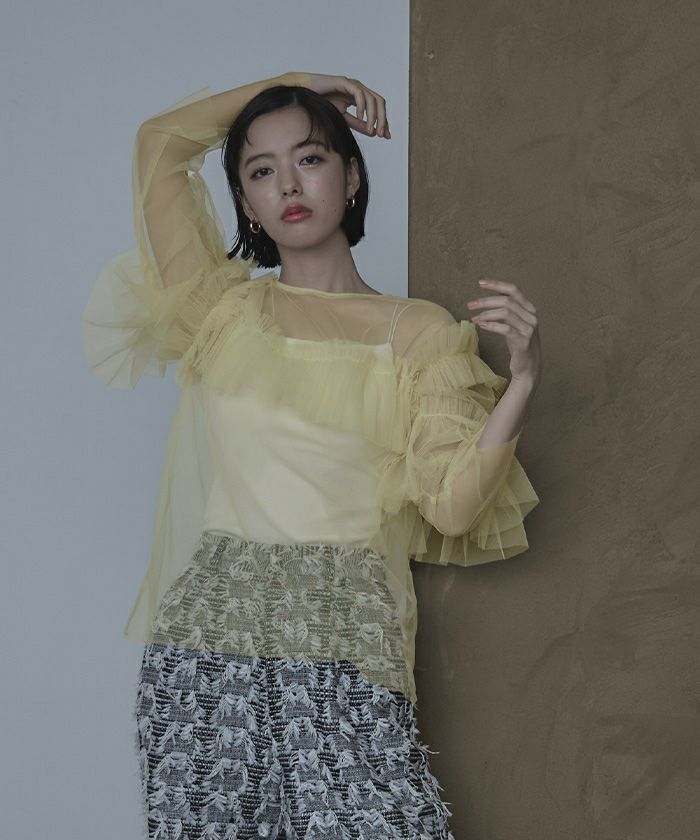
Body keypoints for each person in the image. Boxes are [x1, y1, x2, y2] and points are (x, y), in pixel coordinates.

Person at [82, 71, 541, 840]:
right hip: (211, 637)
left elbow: (454, 507)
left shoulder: (417, 333)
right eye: (261, 171)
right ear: (246, 200)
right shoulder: (222, 310)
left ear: (351, 175)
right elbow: (160, 145)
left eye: (311, 158)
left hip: (346, 630)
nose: (289, 185)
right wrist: (294, 83)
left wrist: (522, 382)